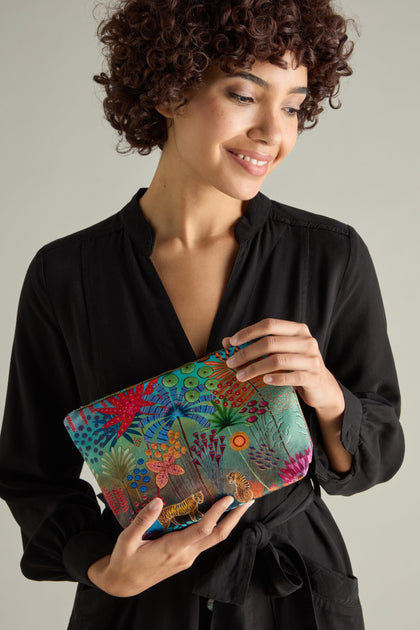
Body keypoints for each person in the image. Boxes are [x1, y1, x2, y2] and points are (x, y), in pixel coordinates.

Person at [0, 1, 405, 629]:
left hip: (292, 594)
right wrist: (103, 566)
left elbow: (377, 448)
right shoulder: (66, 274)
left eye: (294, 105)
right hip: (137, 606)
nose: (275, 131)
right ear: (168, 90)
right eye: (244, 94)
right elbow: (31, 474)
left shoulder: (331, 256)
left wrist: (327, 395)